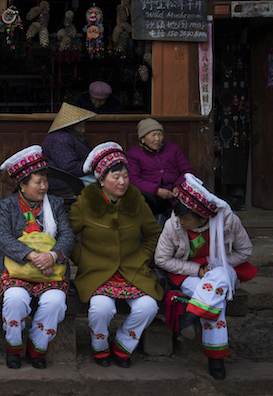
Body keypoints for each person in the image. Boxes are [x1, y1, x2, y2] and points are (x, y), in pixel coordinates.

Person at [69, 142, 163, 368]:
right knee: (102, 308)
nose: (123, 182)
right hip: (97, 272)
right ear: (101, 180)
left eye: (125, 176)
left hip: (132, 269)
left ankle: (123, 344)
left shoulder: (137, 201)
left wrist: (142, 257)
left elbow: (153, 234)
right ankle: (99, 346)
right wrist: (84, 260)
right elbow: (68, 237)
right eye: (116, 177)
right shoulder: (84, 203)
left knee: (148, 306)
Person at [154, 174, 256, 380]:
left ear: (203, 218)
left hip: (221, 270)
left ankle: (191, 317)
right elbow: (161, 259)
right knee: (214, 300)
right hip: (188, 273)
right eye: (179, 216)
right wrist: (196, 270)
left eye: (186, 219)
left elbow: (245, 251)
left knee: (218, 277)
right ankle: (215, 357)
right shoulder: (174, 224)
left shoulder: (229, 221)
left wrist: (216, 265)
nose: (180, 221)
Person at [0, 145, 74, 369]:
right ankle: (14, 347)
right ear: (23, 185)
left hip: (50, 271)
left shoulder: (55, 205)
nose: (44, 187)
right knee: (15, 299)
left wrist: (53, 256)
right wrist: (32, 256)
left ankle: (37, 348)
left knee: (54, 302)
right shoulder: (8, 206)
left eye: (45, 181)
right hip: (16, 269)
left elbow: (67, 235)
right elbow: (3, 238)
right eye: (38, 182)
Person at [127, 118, 195, 219]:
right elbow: (133, 180)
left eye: (160, 134)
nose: (157, 139)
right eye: (153, 135)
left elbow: (187, 171)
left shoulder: (173, 149)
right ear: (142, 139)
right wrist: (156, 190)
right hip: (150, 197)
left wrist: (178, 186)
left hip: (174, 195)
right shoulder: (133, 154)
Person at [41, 102, 96, 195]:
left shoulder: (70, 137)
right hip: (66, 182)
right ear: (71, 126)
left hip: (76, 177)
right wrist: (93, 166)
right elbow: (69, 167)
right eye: (81, 126)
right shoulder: (60, 140)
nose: (83, 130)